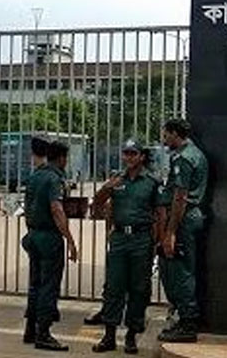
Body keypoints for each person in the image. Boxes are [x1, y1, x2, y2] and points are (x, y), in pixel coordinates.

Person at [88, 140, 162, 354]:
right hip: (120, 238)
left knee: (139, 288)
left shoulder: (152, 181)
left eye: (133, 153)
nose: (128, 157)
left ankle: (131, 335)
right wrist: (107, 188)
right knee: (114, 287)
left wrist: (157, 241)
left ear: (142, 157)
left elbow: (160, 213)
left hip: (141, 239)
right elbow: (97, 204)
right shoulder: (116, 179)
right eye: (126, 153)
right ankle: (109, 336)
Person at [22, 141, 79, 351]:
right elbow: (56, 209)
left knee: (35, 283)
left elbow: (27, 207)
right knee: (49, 285)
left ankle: (30, 329)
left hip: (33, 234)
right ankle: (43, 333)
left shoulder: (35, 176)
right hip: (49, 238)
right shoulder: (55, 179)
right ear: (62, 158)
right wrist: (70, 239)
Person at [157, 119, 208, 344]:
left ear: (175, 134)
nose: (164, 139)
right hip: (189, 217)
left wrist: (170, 232)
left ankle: (188, 323)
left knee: (181, 272)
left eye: (166, 135)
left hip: (183, 219)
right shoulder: (195, 154)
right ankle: (183, 317)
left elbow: (180, 198)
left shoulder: (184, 158)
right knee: (178, 268)